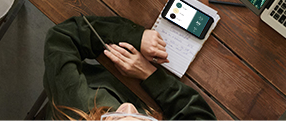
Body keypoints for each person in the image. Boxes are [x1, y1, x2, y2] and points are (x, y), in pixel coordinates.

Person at [43, 15, 215, 120]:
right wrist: (149, 74)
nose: (129, 107)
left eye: (114, 118)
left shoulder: (74, 103)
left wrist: (134, 36)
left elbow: (62, 39)